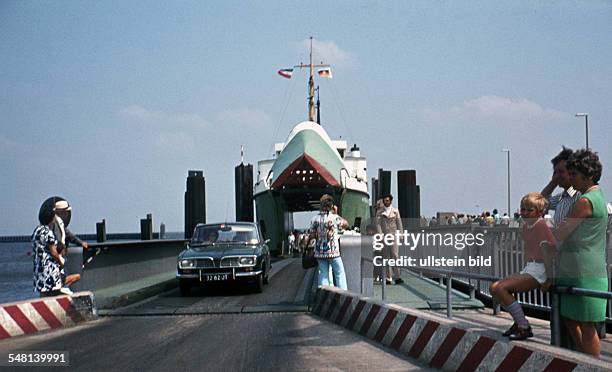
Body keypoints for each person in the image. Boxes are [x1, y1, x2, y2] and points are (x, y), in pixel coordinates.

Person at [554, 149, 608, 357]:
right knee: (571, 318)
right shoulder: (597, 196)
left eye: (574, 174)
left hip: (584, 271)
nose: (571, 178)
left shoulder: (585, 201)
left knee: (586, 326)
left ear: (587, 174)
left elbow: (562, 232)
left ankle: (594, 365)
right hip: (579, 269)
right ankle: (585, 359)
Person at [489, 192, 556, 340]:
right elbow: (527, 249)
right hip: (530, 267)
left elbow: (549, 251)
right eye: (522, 209)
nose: (524, 213)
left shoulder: (541, 226)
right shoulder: (526, 226)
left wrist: (549, 279)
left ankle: (524, 326)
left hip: (540, 269)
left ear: (539, 212)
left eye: (529, 210)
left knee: (500, 288)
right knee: (494, 288)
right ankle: (519, 322)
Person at [309, 194, 348, 290]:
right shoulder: (334, 218)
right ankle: (342, 294)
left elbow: (312, 235)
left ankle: (324, 295)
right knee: (339, 273)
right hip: (333, 251)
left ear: (321, 205)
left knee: (323, 273)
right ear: (331, 206)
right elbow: (346, 224)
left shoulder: (314, 219)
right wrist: (336, 212)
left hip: (320, 252)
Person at [33, 204, 63, 297]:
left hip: (39, 266)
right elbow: (53, 252)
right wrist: (60, 262)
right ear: (51, 219)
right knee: (54, 292)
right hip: (49, 268)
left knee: (43, 292)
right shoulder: (48, 232)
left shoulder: (36, 231)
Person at [376, 193, 404, 285]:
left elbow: (399, 223)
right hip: (385, 235)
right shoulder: (379, 212)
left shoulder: (395, 211)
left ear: (391, 201)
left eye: (387, 200)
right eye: (384, 201)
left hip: (394, 235)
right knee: (386, 256)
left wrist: (401, 234)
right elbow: (378, 224)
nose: (385, 202)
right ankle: (388, 277)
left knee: (395, 255)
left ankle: (398, 276)